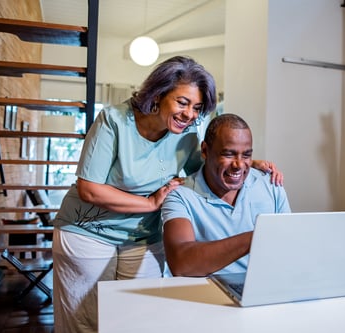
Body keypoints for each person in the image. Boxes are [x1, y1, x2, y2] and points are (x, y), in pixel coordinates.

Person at [51, 56, 282, 333]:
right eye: (182, 103)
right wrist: (150, 202)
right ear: (158, 95)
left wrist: (245, 162)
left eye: (196, 107)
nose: (190, 114)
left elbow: (207, 168)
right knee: (84, 323)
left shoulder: (185, 135)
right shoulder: (113, 120)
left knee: (137, 322)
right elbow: (89, 189)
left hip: (144, 238)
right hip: (87, 232)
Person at [162, 113, 345, 277]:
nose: (239, 165)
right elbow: (182, 262)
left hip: (265, 288)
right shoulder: (180, 196)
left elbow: (291, 247)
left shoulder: (270, 185)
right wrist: (257, 236)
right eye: (228, 154)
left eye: (247, 155)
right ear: (205, 151)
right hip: (203, 296)